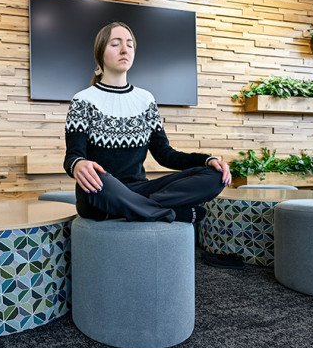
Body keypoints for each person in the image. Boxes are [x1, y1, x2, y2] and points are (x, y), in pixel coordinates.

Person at [63, 21, 232, 224]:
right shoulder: (84, 100)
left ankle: (139, 208)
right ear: (100, 53)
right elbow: (73, 157)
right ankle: (171, 212)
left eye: (129, 44)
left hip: (139, 189)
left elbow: (165, 155)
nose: (124, 49)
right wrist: (78, 164)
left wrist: (206, 160)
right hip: (102, 191)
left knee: (215, 175)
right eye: (115, 44)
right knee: (101, 180)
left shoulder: (146, 100)